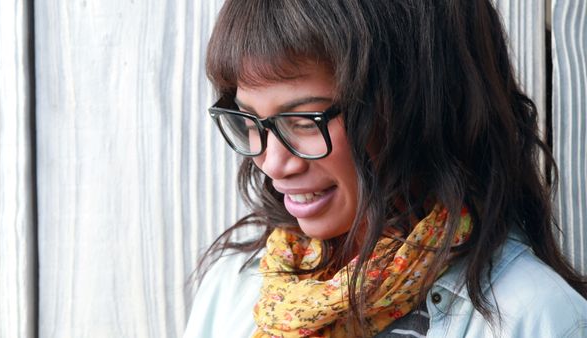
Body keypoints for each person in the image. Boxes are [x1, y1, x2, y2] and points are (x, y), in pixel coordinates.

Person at [184, 0, 587, 337]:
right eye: (248, 119)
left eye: (306, 120)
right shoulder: (234, 289)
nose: (272, 163)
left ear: (416, 107)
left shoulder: (533, 318)